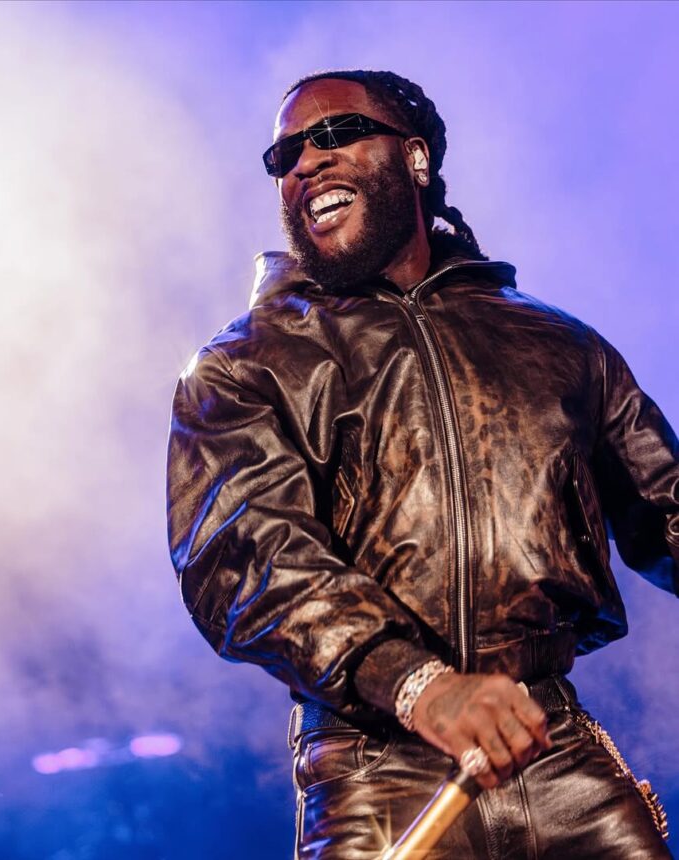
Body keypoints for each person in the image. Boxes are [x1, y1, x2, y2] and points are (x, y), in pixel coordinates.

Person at [166, 69, 678, 859]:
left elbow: (667, 509)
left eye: (334, 135)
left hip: (552, 744)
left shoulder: (558, 344)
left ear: (415, 158)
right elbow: (251, 554)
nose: (305, 162)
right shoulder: (246, 364)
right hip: (376, 768)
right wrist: (418, 685)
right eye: (286, 154)